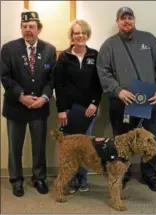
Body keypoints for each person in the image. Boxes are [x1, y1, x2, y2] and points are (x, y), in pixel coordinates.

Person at [97, 6, 156, 192]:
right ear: (117, 21)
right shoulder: (109, 45)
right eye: (123, 18)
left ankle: (150, 174)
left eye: (129, 17)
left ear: (134, 20)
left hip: (149, 101)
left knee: (150, 139)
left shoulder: (149, 40)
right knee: (122, 141)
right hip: (122, 103)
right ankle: (124, 174)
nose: (126, 21)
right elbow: (103, 71)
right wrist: (117, 90)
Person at [0, 11, 56, 197]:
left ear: (39, 29)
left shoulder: (49, 50)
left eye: (31, 26)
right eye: (24, 26)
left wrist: (44, 98)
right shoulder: (8, 49)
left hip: (39, 107)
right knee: (15, 147)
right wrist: (21, 96)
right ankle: (16, 180)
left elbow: (52, 79)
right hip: (16, 106)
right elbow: (5, 77)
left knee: (39, 146)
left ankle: (39, 178)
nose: (27, 30)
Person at [53, 19, 103, 193]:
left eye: (83, 32)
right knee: (71, 147)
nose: (79, 36)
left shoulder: (95, 55)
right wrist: (61, 110)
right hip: (69, 111)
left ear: (87, 35)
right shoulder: (64, 57)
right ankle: (71, 178)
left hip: (88, 110)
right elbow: (59, 85)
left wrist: (94, 104)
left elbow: (98, 84)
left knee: (85, 146)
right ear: (71, 36)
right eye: (76, 33)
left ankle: (83, 178)